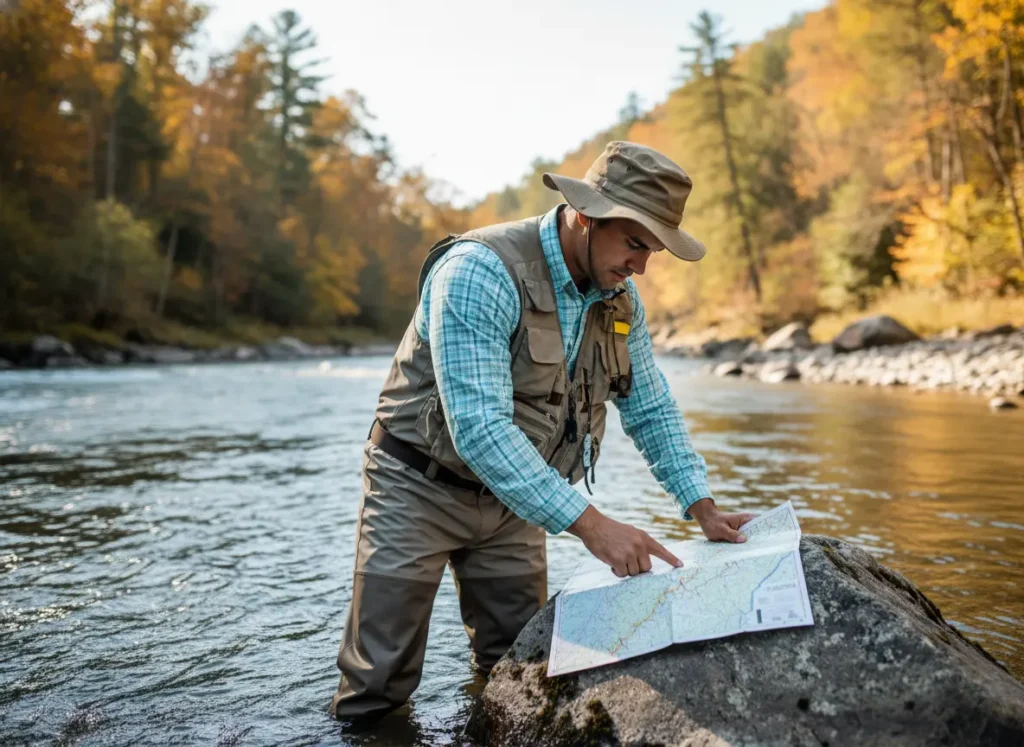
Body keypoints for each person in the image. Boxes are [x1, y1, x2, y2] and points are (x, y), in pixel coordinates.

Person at [329, 141, 754, 722]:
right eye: (635, 242)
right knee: (376, 689)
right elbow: (478, 429)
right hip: (416, 488)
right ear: (586, 214)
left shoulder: (619, 299)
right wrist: (593, 526)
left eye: (652, 249)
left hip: (515, 502)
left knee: (517, 672)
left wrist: (700, 506)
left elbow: (650, 406)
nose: (642, 266)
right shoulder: (479, 270)